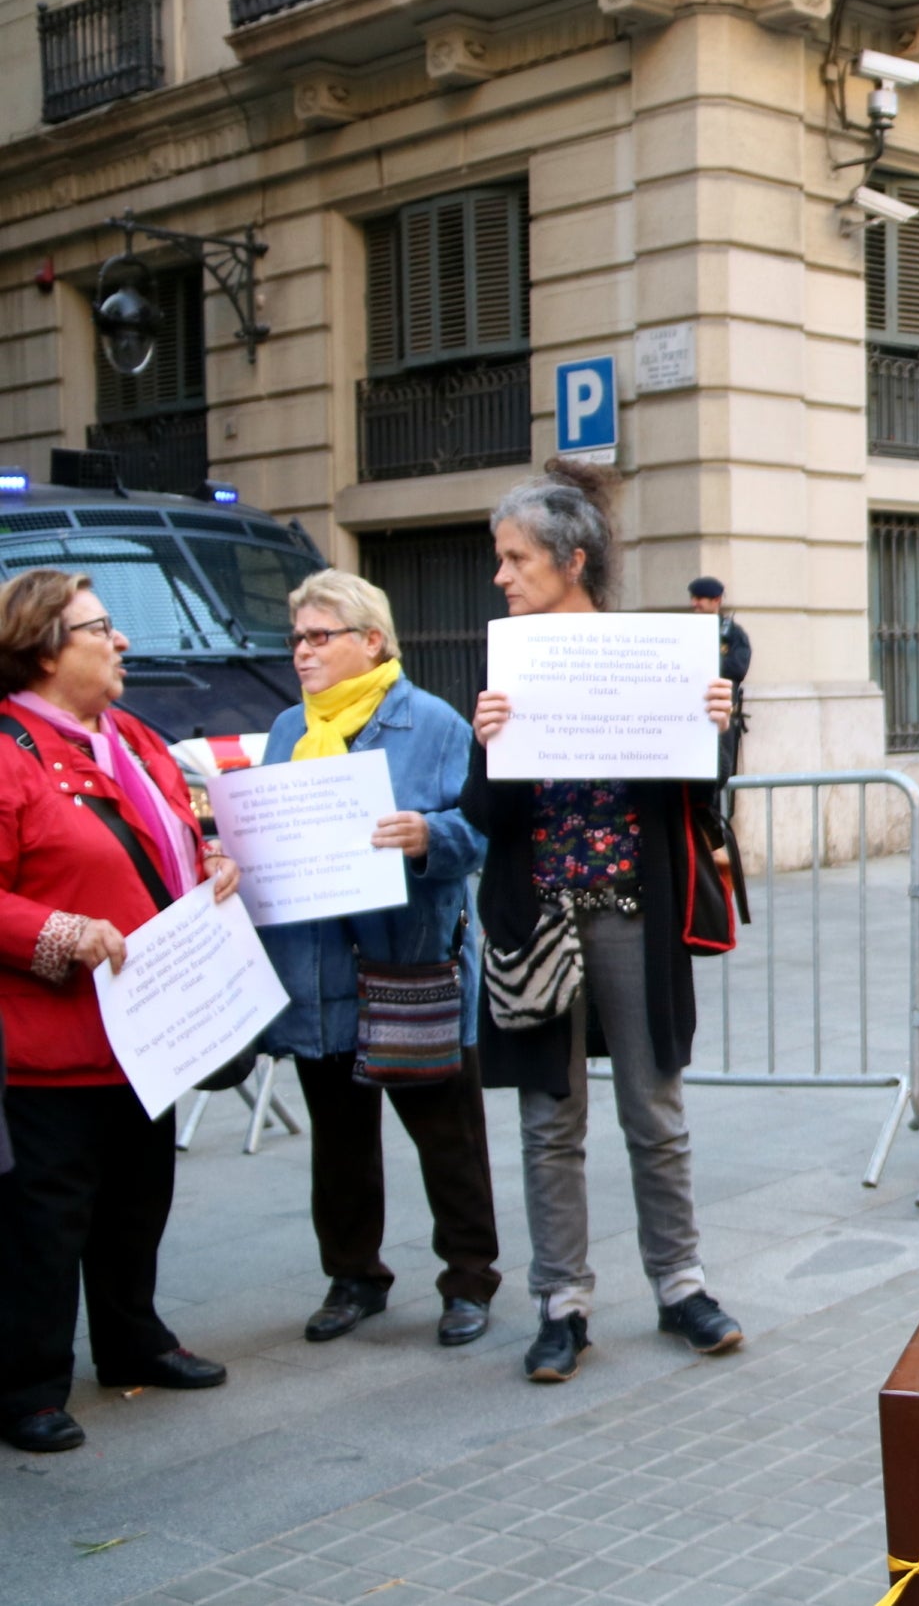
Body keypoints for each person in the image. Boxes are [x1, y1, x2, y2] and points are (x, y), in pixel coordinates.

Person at [468, 462, 743, 1383]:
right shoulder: (503, 662)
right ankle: (562, 1301)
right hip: (538, 919)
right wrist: (488, 743)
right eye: (500, 559)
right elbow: (485, 818)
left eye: (516, 558)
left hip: (634, 908)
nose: (502, 576)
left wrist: (716, 725)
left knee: (653, 1109)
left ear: (571, 560)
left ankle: (681, 1285)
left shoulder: (647, 651)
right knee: (550, 1118)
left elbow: (695, 791)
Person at [0, 569, 242, 1452]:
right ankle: (26, 1382)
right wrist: (59, 929)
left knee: (139, 1201)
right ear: (44, 646)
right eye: (102, 626)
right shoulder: (6, 747)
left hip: (149, 1031)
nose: (122, 641)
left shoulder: (132, 736)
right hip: (51, 1042)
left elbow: (181, 831)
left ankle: (132, 1342)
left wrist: (212, 861)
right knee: (46, 1219)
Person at [255, 570, 500, 1350]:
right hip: (320, 974)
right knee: (340, 1138)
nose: (302, 652)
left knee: (446, 1133)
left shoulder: (431, 723)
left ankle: (468, 1278)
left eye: (318, 636)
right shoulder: (290, 729)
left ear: (372, 640)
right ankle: (353, 1274)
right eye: (296, 637)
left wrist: (431, 838)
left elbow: (482, 830)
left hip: (411, 964)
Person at [689, 577, 750, 781]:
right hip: (691, 716)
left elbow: (738, 667)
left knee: (722, 773)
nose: (694, 603)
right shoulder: (687, 630)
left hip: (721, 716)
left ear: (716, 601)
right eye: (693, 598)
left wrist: (707, 664)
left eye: (700, 599)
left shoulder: (732, 634)